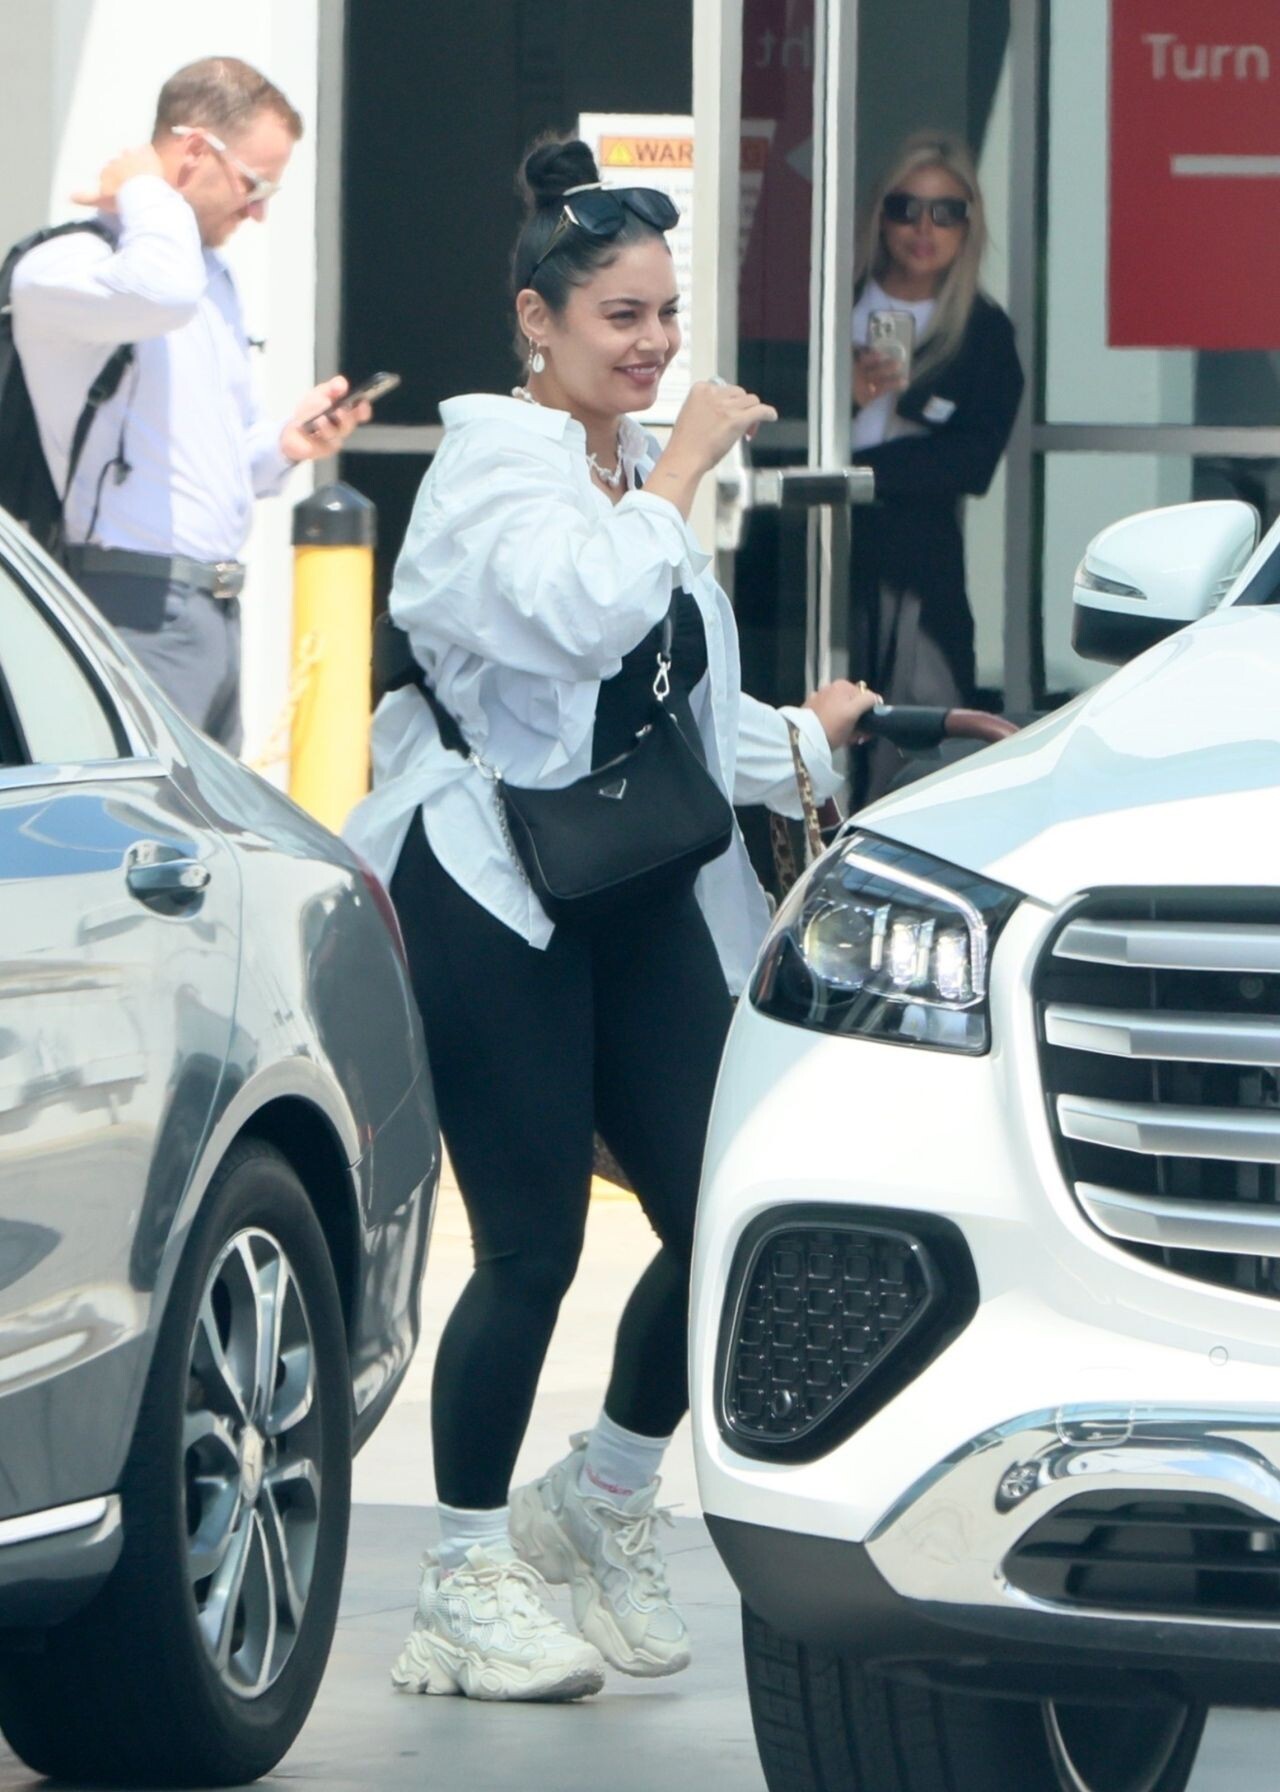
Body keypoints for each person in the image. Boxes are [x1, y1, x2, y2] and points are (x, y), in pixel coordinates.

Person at [345, 135, 878, 1704]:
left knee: (726, 1218)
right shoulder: (490, 470)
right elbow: (576, 620)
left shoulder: (624, 472)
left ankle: (602, 1496)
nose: (653, 346)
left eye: (665, 316)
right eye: (620, 317)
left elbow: (665, 717)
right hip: (495, 888)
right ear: (539, 320)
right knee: (529, 1249)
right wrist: (680, 470)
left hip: (634, 885)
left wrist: (809, 744)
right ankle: (460, 1584)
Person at [9, 56, 371, 752]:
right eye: (254, 183)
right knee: (144, 813)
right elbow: (161, 292)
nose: (259, 210)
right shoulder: (69, 266)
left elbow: (214, 462)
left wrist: (284, 445)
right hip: (129, 603)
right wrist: (145, 187)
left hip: (212, 608)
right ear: (196, 151)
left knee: (207, 819)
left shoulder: (208, 281)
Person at [848, 130, 1024, 796]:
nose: (924, 229)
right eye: (906, 208)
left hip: (918, 562)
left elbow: (971, 462)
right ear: (879, 215)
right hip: (816, 551)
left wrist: (868, 466)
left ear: (968, 226)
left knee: (916, 750)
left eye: (946, 212)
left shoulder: (982, 330)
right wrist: (842, 397)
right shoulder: (833, 305)